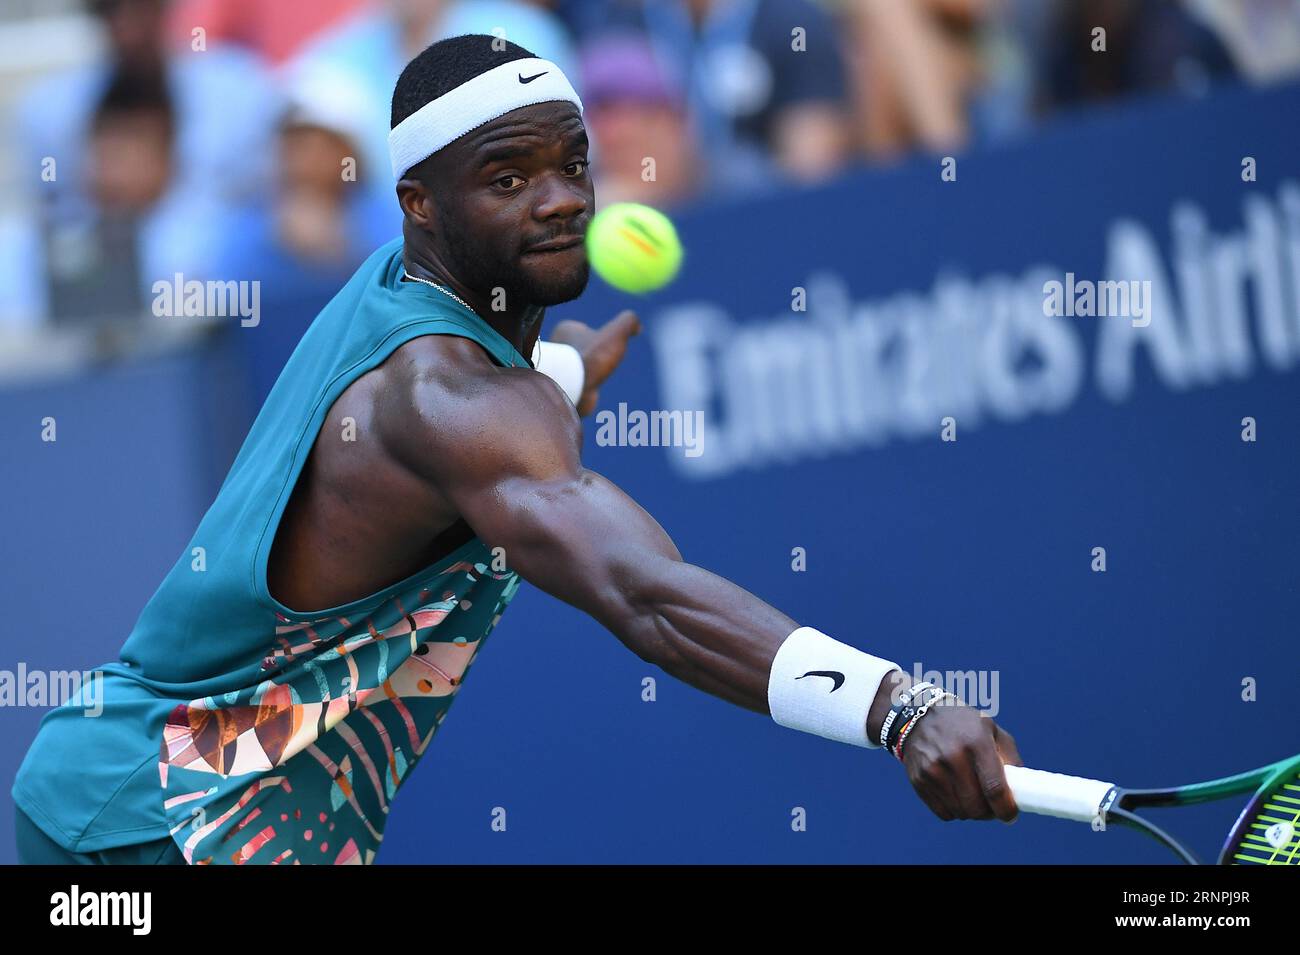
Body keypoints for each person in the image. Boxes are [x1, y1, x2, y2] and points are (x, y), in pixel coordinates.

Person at [12, 35, 1022, 865]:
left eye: (570, 165)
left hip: (167, 811)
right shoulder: (446, 400)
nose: (561, 201)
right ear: (419, 202)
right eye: (508, 178)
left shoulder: (419, 303)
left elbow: (489, 433)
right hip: (151, 828)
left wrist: (565, 378)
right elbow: (645, 596)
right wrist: (899, 705)